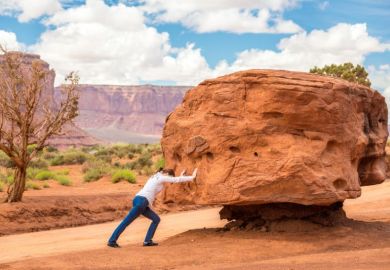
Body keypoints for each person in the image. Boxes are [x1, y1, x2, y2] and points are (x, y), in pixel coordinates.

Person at [107, 167, 198, 247]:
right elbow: (176, 180)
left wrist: (181, 176)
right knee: (126, 222)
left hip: (140, 201)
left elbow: (174, 180)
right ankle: (112, 241)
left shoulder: (155, 176)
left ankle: (147, 241)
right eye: (169, 178)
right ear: (166, 174)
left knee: (156, 219)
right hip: (142, 201)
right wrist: (192, 177)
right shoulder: (161, 177)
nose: (169, 180)